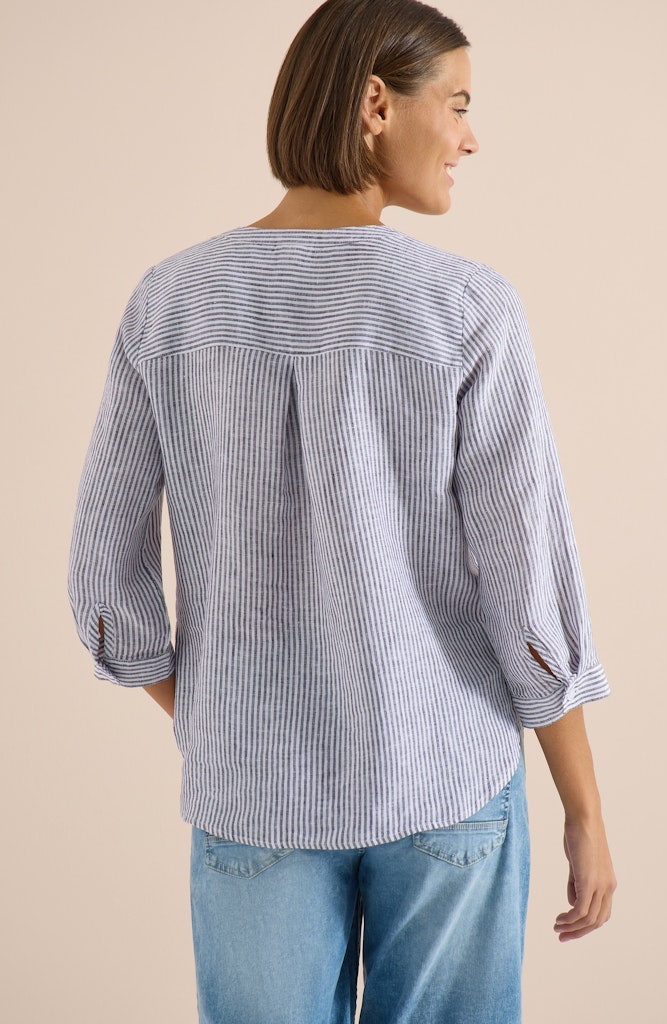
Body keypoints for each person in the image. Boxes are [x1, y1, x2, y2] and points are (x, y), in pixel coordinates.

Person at [67, 1, 617, 1021]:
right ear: (375, 104)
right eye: (458, 103)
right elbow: (526, 588)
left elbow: (104, 582)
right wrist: (584, 810)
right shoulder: (466, 307)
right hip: (446, 780)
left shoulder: (170, 301)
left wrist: (228, 721)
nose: (470, 137)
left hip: (250, 797)